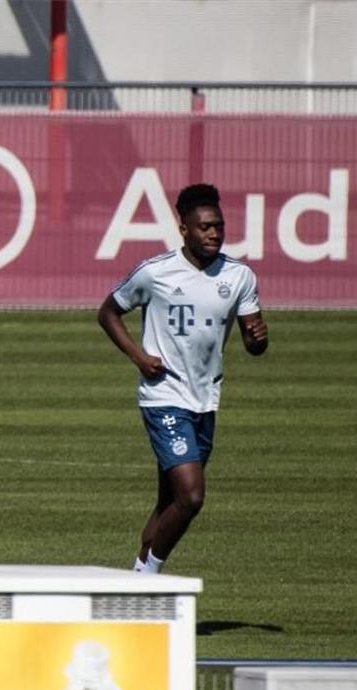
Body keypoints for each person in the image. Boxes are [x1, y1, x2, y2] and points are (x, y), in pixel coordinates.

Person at [97, 183, 268, 574]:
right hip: (164, 396)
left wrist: (259, 339)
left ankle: (135, 585)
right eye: (205, 226)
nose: (214, 233)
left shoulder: (239, 276)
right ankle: (149, 574)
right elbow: (107, 312)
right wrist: (140, 358)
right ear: (184, 229)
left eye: (219, 226)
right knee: (191, 497)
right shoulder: (155, 272)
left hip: (204, 400)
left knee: (168, 504)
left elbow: (253, 340)